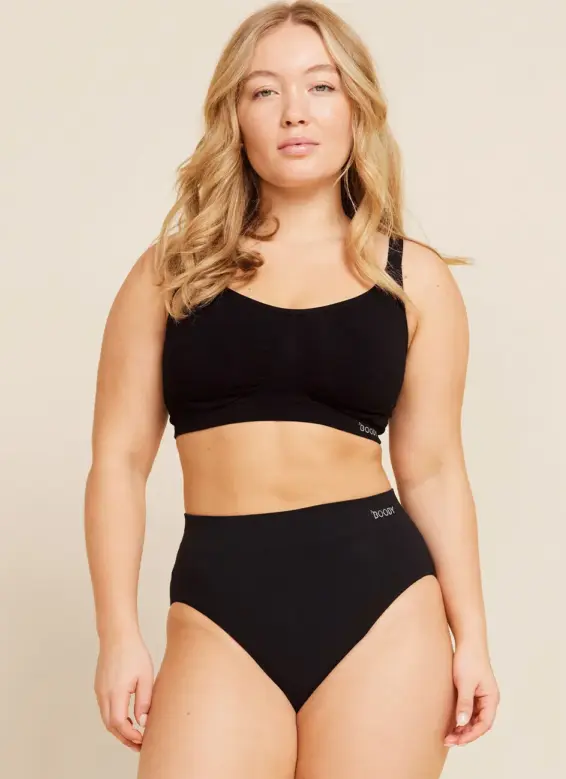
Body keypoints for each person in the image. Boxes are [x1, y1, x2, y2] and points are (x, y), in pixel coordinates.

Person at [84, 1, 500, 777]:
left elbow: (435, 469)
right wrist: (117, 634)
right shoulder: (171, 273)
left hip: (381, 604)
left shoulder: (413, 280)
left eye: (321, 86)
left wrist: (472, 634)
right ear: (234, 116)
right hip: (218, 606)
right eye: (264, 90)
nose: (294, 112)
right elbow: (117, 461)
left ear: (357, 109)